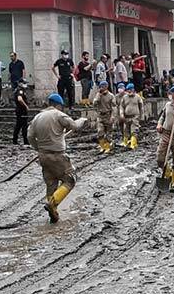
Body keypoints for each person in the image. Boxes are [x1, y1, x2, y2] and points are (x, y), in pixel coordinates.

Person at [27, 93, 88, 224]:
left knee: (51, 183)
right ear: (58, 105)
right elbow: (74, 126)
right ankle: (53, 203)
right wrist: (81, 121)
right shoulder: (58, 115)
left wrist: (38, 148)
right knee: (70, 180)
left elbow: (30, 136)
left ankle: (54, 213)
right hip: (57, 156)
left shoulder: (37, 117)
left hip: (43, 156)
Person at [93, 81, 117, 153]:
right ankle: (102, 146)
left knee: (108, 133)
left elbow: (114, 107)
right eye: (102, 86)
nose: (103, 88)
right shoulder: (98, 95)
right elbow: (94, 103)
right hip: (100, 116)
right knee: (100, 131)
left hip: (108, 115)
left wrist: (113, 117)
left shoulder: (111, 96)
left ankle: (108, 146)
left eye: (104, 86)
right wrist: (99, 95)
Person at [119, 82, 144, 149]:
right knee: (125, 130)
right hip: (126, 117)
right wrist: (121, 114)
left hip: (135, 117)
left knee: (134, 130)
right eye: (128, 90)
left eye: (130, 89)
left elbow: (141, 107)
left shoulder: (138, 97)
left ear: (133, 89)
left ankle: (133, 144)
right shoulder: (124, 97)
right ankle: (125, 142)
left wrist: (141, 116)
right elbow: (121, 106)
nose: (129, 91)